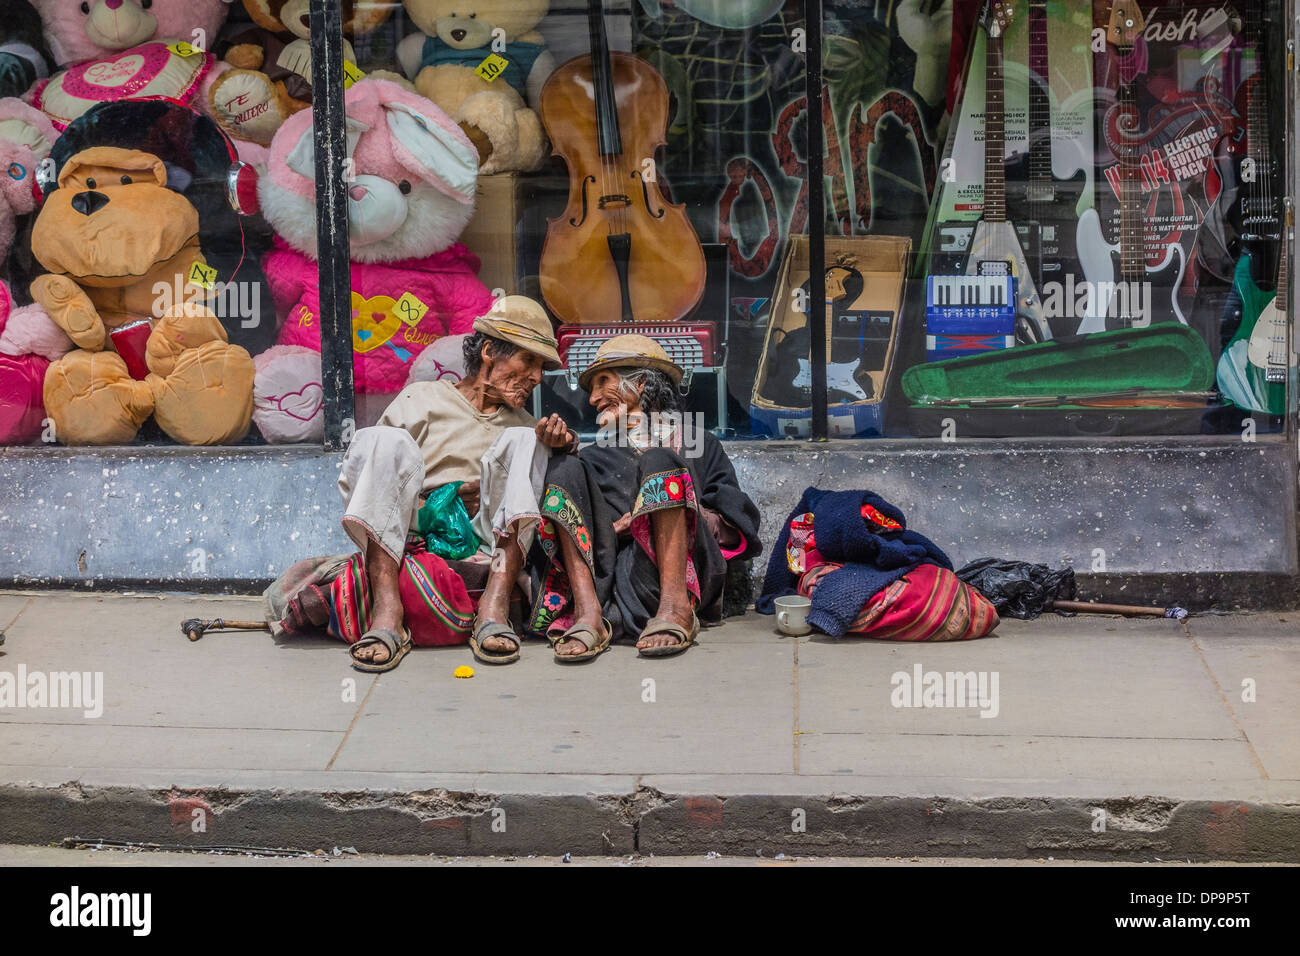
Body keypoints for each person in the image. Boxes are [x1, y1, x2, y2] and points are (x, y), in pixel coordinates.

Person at [337, 295, 577, 671]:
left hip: (487, 534)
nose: (536, 377)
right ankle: (387, 612)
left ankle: (493, 606)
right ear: (488, 352)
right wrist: (431, 503)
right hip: (414, 523)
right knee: (380, 440)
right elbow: (377, 476)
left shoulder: (528, 426)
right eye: (527, 361)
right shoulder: (422, 398)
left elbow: (548, 494)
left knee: (526, 440)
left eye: (541, 367)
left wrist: (563, 445)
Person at [531, 335, 762, 660]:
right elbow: (592, 534)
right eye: (592, 389)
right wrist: (618, 528)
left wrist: (676, 511)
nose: (594, 398)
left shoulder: (697, 443)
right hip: (612, 584)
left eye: (603, 382)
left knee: (660, 460)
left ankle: (675, 608)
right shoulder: (595, 457)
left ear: (640, 384)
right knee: (564, 468)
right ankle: (587, 615)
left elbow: (735, 525)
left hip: (679, 577)